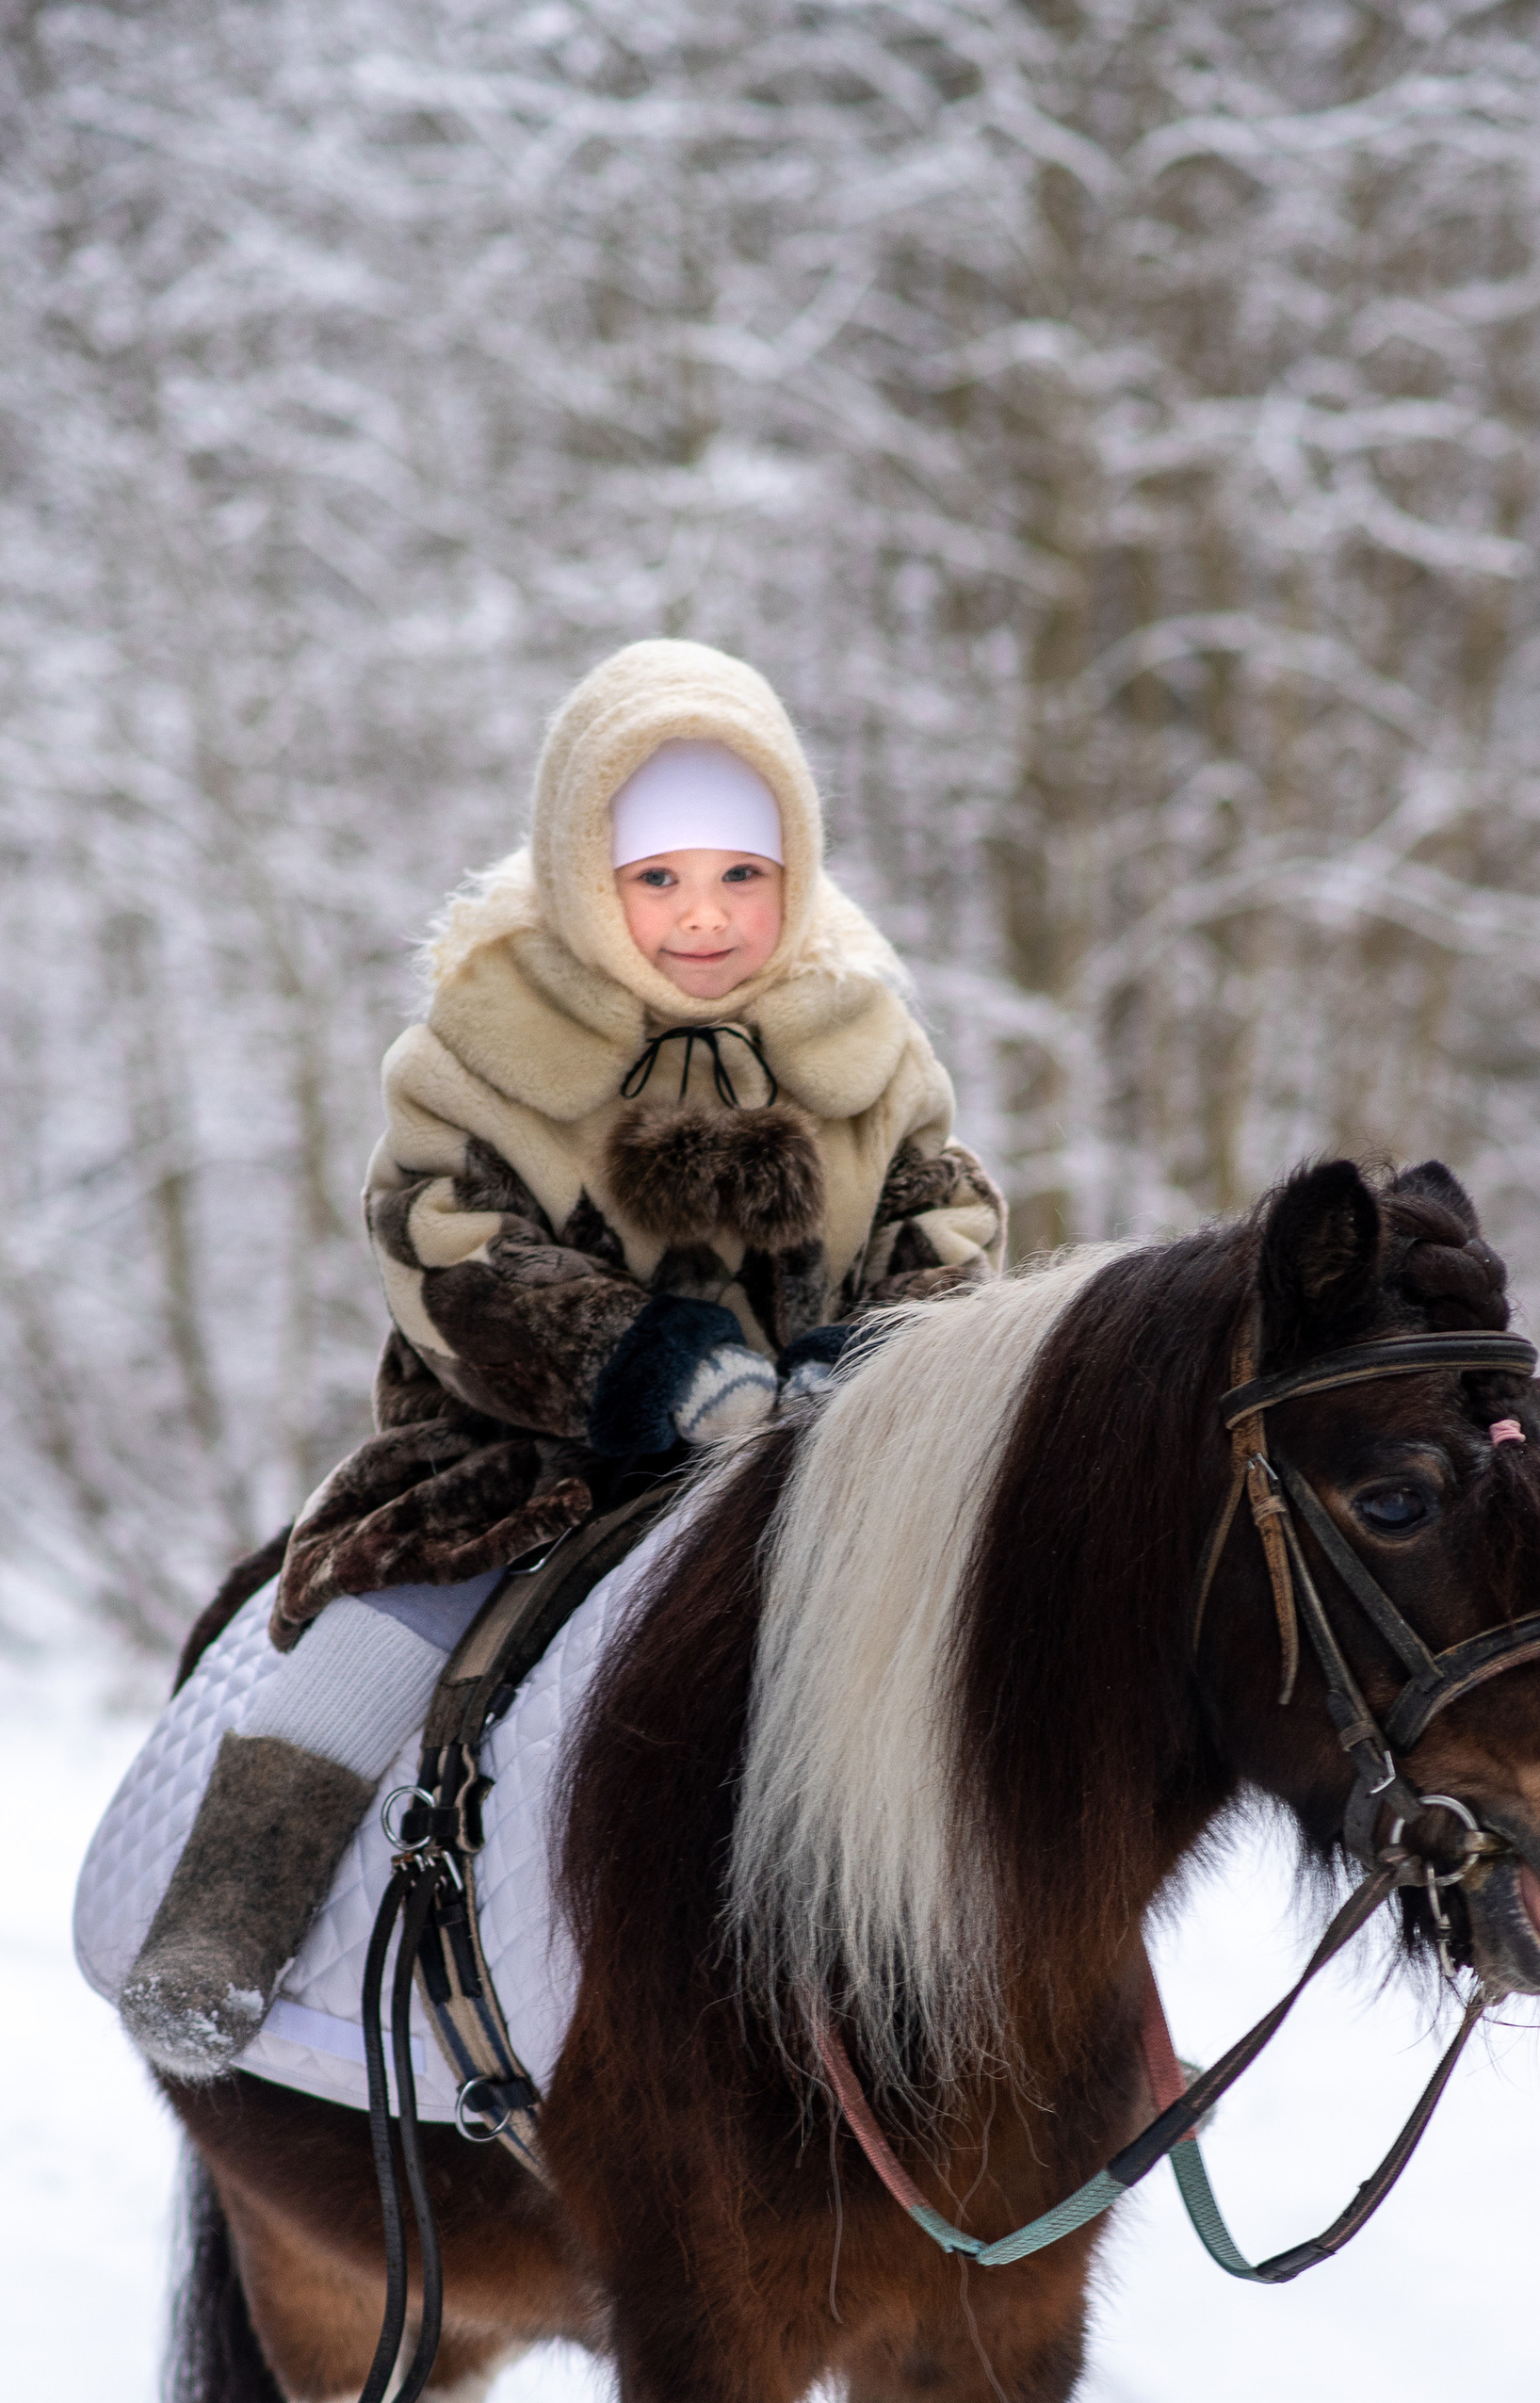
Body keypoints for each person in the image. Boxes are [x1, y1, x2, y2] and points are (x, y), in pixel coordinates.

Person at [118, 636, 1007, 2078]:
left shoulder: (868, 1048)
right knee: (377, 1635)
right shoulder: (485, 1047)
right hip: (525, 1451)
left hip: (817, 1461)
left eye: (742, 873)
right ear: (586, 870)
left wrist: (876, 1367)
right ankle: (231, 1917)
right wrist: (647, 1367)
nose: (704, 915)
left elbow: (944, 1221)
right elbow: (447, 1240)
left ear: (797, 868)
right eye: (657, 878)